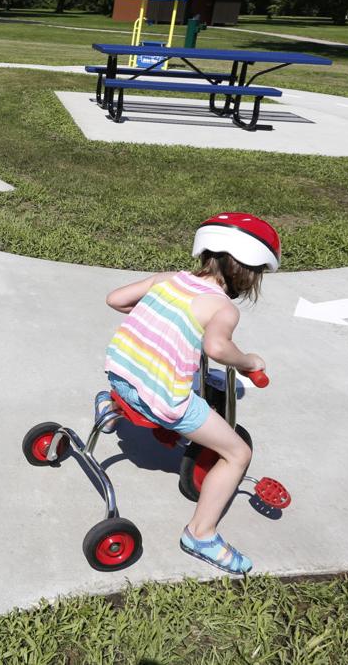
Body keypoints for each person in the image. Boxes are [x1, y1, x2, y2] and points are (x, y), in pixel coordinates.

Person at [95, 212, 280, 576]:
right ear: (247, 271)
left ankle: (109, 405)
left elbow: (115, 299)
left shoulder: (169, 280)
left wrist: (163, 318)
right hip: (156, 399)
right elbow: (217, 348)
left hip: (117, 378)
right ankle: (201, 534)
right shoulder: (222, 308)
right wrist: (247, 361)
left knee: (152, 384)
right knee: (237, 453)